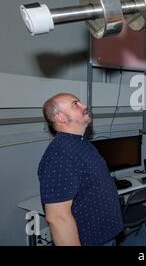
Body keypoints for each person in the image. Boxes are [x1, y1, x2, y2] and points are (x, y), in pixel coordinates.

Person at [38, 93, 123, 246]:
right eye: (75, 104)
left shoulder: (80, 142)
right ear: (60, 118)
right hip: (91, 240)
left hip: (104, 235)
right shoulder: (60, 154)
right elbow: (58, 217)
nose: (84, 106)